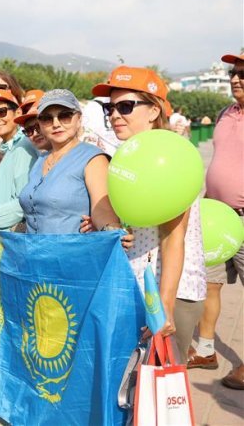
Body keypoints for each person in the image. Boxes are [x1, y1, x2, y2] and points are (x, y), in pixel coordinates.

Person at [92, 66, 206, 359]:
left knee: (161, 389)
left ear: (154, 111)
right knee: (134, 389)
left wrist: (164, 306)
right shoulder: (128, 154)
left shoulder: (166, 156)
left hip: (169, 289)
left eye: (126, 106)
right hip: (137, 280)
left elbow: (173, 237)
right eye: (111, 107)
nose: (115, 115)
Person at [188, 53, 244, 389]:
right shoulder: (226, 114)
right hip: (216, 217)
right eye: (233, 73)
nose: (236, 79)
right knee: (210, 284)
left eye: (243, 74)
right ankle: (206, 350)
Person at [18, 90, 119, 234]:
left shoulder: (93, 159)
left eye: (64, 116)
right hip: (33, 253)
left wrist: (111, 228)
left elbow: (102, 208)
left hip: (72, 253)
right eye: (47, 118)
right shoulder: (40, 160)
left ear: (79, 119)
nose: (56, 124)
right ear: (39, 124)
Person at [0, 89, 39, 234]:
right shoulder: (11, 148)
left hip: (17, 238)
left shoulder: (26, 145)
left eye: (2, 112)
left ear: (17, 113)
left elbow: (29, 199)